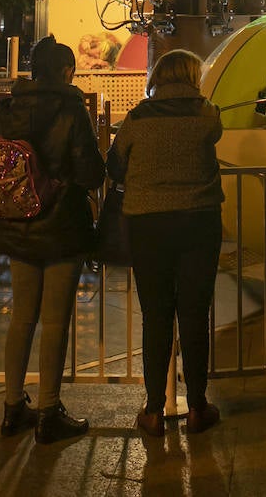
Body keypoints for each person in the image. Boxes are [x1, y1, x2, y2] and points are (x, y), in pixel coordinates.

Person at [0, 35, 105, 444]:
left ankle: (12, 406)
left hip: (16, 223)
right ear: (66, 70)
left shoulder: (7, 108)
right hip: (61, 228)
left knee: (22, 318)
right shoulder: (71, 108)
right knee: (54, 322)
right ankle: (49, 411)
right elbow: (90, 172)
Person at [107, 48, 223, 438]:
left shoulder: (137, 118)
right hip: (198, 221)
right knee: (193, 313)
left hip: (147, 224)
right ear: (193, 75)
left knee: (156, 315)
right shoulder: (208, 114)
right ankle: (197, 408)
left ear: (158, 75)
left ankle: (154, 410)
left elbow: (115, 165)